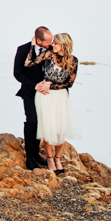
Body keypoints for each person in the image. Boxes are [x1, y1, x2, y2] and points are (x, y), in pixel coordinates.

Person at [33, 32, 81, 174]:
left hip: (60, 95)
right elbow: (29, 63)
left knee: (61, 128)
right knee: (48, 127)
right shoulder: (48, 55)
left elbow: (69, 83)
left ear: (64, 45)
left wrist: (51, 86)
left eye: (55, 43)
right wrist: (32, 45)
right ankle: (49, 158)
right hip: (45, 95)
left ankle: (57, 158)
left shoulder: (73, 60)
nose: (52, 44)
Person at [13, 26, 53, 169]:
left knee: (41, 122)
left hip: (45, 93)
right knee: (32, 121)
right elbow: (18, 73)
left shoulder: (51, 50)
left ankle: (36, 153)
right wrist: (34, 85)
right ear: (38, 40)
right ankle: (30, 157)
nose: (51, 43)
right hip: (29, 92)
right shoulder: (23, 50)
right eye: (48, 41)